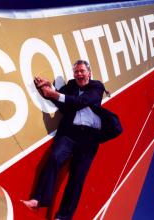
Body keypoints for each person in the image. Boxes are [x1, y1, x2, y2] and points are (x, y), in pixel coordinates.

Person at [21, 60, 106, 220]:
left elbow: (82, 102)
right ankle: (38, 199)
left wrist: (55, 93)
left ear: (89, 73)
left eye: (82, 71)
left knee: (77, 179)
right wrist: (49, 88)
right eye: (76, 72)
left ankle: (63, 217)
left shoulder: (97, 86)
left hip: (89, 139)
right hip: (70, 133)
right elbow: (62, 103)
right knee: (54, 158)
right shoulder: (71, 86)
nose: (79, 74)